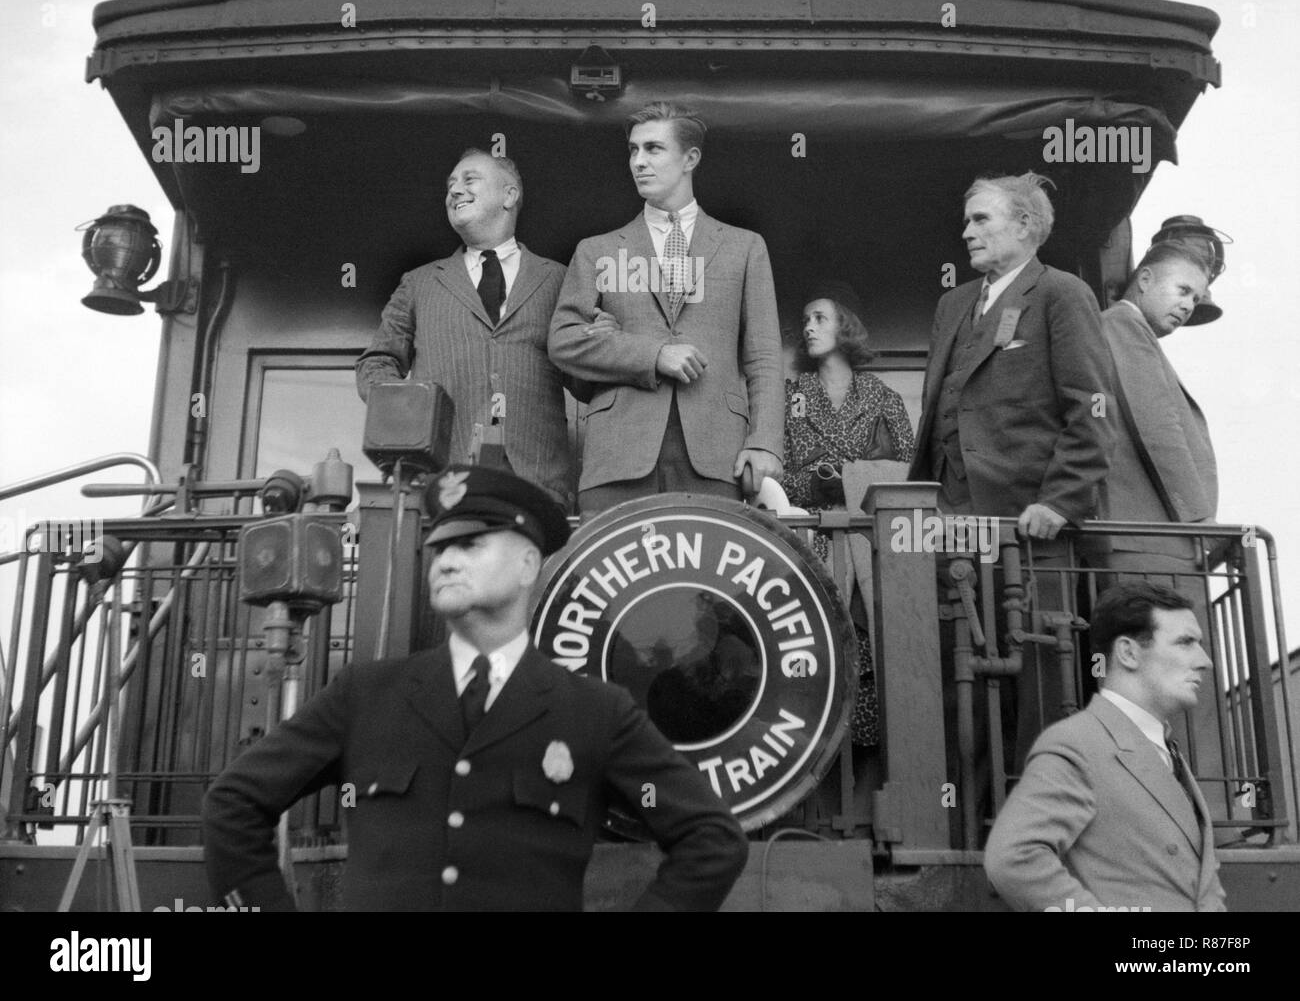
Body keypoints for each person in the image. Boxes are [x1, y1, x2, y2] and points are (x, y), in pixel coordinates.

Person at [203, 465, 750, 912]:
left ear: (527, 564)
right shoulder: (366, 695)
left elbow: (712, 840)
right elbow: (235, 803)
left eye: (471, 544)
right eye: (440, 548)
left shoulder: (594, 711)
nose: (446, 561)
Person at [909, 172, 1116, 778]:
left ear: (1025, 225)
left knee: (1039, 681)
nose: (965, 230)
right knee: (959, 671)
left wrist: (1060, 500)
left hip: (1033, 530)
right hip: (952, 525)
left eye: (981, 219)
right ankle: (969, 823)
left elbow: (1092, 408)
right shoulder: (954, 304)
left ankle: (1037, 822)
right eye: (967, 219)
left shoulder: (1063, 293)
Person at [548, 103, 783, 517]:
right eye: (633, 150)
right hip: (617, 458)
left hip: (716, 456)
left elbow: (763, 357)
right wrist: (653, 354)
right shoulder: (597, 250)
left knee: (710, 581)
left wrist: (764, 441)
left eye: (654, 149)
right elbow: (564, 341)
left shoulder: (745, 247)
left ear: (690, 158)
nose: (639, 161)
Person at [984, 581, 1226, 913]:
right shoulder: (1078, 742)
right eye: (1186, 642)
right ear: (1128, 653)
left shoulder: (1162, 747)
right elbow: (1013, 857)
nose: (1205, 661)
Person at [355, 149, 577, 505]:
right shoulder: (419, 283)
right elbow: (376, 362)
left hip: (537, 486)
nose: (455, 191)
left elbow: (583, 376)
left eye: (469, 180)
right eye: (451, 185)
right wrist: (406, 411)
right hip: (441, 484)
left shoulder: (559, 279)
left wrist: (599, 339)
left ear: (509, 195)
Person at [1097, 239, 1226, 815]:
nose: (1187, 306)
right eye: (1182, 291)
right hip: (1155, 540)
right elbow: (1159, 430)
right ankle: (1204, 818)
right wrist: (1201, 523)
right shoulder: (1124, 329)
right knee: (1177, 685)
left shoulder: (1127, 332)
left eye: (1196, 299)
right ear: (1143, 279)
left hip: (1145, 538)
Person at [779, 282, 915, 747]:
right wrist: (820, 481)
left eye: (820, 318)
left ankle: (872, 754)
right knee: (815, 646)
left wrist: (848, 476)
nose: (809, 328)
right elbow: (774, 479)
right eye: (804, 321)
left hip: (872, 545)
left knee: (872, 647)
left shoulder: (884, 398)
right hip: (811, 540)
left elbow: (910, 476)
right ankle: (813, 751)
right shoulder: (790, 397)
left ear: (846, 327)